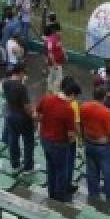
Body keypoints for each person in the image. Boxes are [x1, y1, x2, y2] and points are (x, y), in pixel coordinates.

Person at [36, 75, 80, 203]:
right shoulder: (68, 109)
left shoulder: (46, 99)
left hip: (45, 139)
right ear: (71, 94)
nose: (74, 100)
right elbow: (71, 134)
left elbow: (37, 115)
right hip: (60, 144)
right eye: (74, 96)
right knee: (62, 171)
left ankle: (51, 193)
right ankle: (60, 198)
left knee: (50, 168)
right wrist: (75, 141)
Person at [79, 88, 110, 203]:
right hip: (103, 146)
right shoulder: (106, 112)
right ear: (104, 97)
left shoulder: (84, 106)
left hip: (89, 143)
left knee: (92, 173)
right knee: (109, 174)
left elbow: (81, 124)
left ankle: (93, 196)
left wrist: (83, 139)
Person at [1, 64, 36, 173]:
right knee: (28, 142)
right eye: (23, 73)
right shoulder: (21, 87)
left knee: (13, 140)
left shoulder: (5, 83)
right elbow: (26, 107)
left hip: (10, 115)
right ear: (20, 73)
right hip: (23, 117)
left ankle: (15, 165)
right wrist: (33, 118)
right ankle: (28, 167)